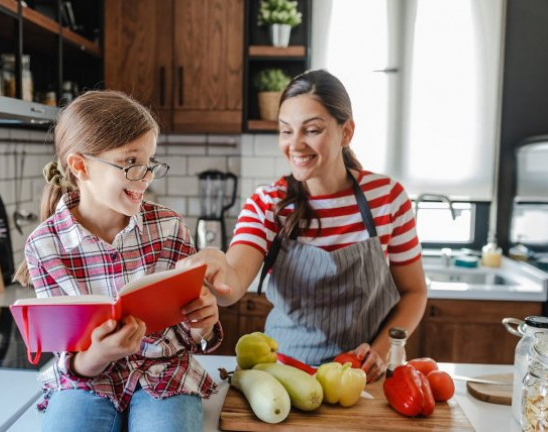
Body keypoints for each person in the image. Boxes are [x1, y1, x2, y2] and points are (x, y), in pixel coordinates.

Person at [178, 69, 427, 382]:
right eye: (285, 131)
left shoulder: (387, 198)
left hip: (364, 375)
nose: (294, 144)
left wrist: (381, 350)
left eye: (311, 130)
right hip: (284, 373)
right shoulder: (268, 203)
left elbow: (414, 291)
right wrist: (216, 265)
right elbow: (233, 284)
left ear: (346, 132)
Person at [13, 90, 222, 432]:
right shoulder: (44, 246)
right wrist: (100, 355)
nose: (147, 176)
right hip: (88, 381)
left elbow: (191, 328)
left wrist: (203, 324)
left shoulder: (169, 227)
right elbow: (70, 358)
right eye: (130, 164)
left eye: (149, 162)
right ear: (80, 166)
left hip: (164, 374)